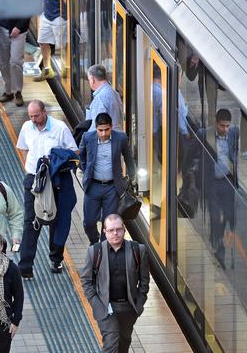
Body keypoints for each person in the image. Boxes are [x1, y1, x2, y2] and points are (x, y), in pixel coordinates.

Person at [17, 100, 78, 279]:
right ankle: (25, 266)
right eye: (31, 116)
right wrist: (29, 169)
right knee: (31, 221)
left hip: (56, 180)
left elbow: (74, 152)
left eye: (36, 115)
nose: (33, 119)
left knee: (56, 220)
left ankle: (56, 259)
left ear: (44, 112)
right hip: (34, 179)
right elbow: (22, 148)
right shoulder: (27, 127)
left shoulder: (60, 128)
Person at [80, 214, 150, 353]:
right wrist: (96, 304)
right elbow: (86, 281)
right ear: (104, 232)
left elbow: (144, 280)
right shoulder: (94, 251)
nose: (115, 233)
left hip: (129, 307)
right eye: (111, 230)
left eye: (119, 229)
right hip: (106, 307)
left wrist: (139, 303)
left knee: (124, 342)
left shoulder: (138, 250)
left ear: (124, 230)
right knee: (111, 343)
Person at [79, 113, 134, 244]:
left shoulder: (120, 138)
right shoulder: (87, 137)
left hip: (112, 188)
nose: (103, 133)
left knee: (109, 223)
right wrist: (86, 170)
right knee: (89, 222)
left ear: (111, 127)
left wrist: (132, 177)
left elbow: (128, 158)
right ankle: (94, 242)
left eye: (107, 130)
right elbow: (81, 155)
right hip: (93, 186)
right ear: (96, 128)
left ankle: (103, 250)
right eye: (100, 130)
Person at [198, 108, 239, 268]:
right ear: (216, 124)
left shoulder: (234, 134)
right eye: (222, 126)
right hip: (212, 183)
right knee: (216, 216)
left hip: (228, 182)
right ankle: (219, 247)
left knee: (228, 215)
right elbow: (192, 151)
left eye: (228, 126)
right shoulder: (205, 134)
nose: (225, 129)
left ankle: (217, 236)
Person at [33, 0, 66, 82]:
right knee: (42, 41)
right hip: (46, 13)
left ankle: (67, 68)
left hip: (60, 14)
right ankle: (47, 70)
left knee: (64, 44)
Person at [0, 18, 30, 107]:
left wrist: (19, 26)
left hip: (19, 32)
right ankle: (8, 92)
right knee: (3, 63)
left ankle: (17, 92)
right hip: (2, 29)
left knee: (16, 62)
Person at [86, 64, 122, 131]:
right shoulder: (115, 94)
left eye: (89, 80)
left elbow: (95, 128)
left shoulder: (100, 98)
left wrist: (85, 139)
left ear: (92, 79)